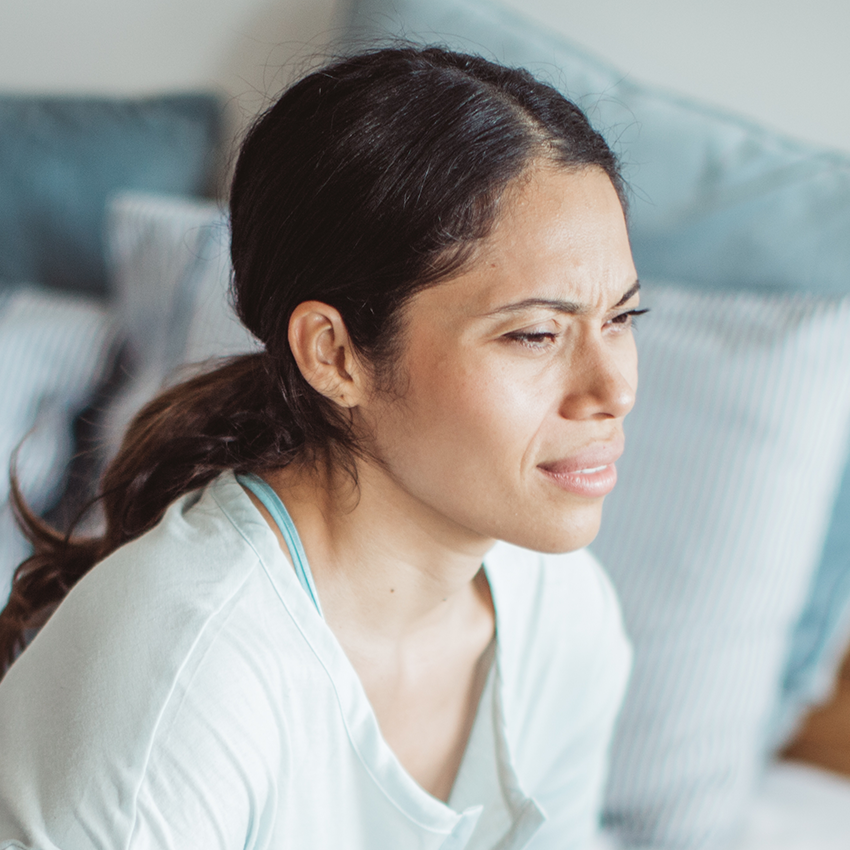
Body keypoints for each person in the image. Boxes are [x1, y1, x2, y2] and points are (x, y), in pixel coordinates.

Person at [0, 46, 642, 849]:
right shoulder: (185, 678)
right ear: (335, 355)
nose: (612, 389)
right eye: (536, 333)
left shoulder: (562, 614)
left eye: (621, 319)